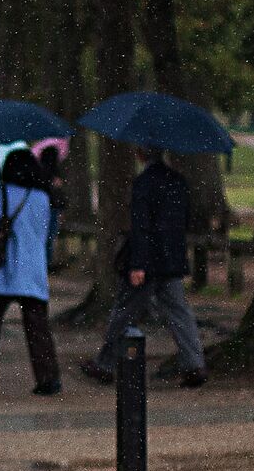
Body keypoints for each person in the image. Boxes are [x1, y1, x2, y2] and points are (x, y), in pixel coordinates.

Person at [81, 150, 206, 389]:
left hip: (147, 261)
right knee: (179, 313)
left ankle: (105, 363)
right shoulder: (177, 182)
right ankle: (194, 363)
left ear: (140, 155)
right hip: (170, 260)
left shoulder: (144, 184)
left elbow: (141, 226)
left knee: (124, 311)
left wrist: (138, 263)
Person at [0, 147, 60, 396]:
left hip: (6, 269)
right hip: (33, 269)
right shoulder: (42, 197)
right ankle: (48, 378)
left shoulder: (2, 193)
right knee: (38, 327)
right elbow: (45, 232)